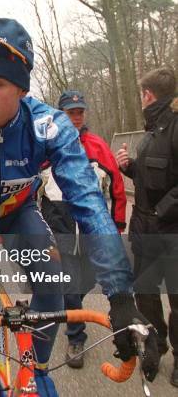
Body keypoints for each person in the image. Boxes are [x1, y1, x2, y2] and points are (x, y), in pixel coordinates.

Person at [0, 18, 158, 397]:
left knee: (53, 286)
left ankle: (38, 368)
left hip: (19, 213)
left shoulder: (49, 125)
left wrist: (121, 297)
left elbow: (89, 203)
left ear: (21, 89)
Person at [40, 90, 127, 368]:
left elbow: (116, 189)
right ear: (60, 114)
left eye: (79, 112)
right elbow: (30, 189)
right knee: (70, 287)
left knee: (90, 282)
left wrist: (117, 226)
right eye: (70, 113)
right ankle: (76, 337)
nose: (76, 117)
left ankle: (85, 314)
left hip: (92, 231)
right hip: (60, 229)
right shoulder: (45, 147)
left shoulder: (98, 146)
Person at [115, 66, 178, 387]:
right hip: (143, 229)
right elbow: (150, 179)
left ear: (148, 95)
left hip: (170, 231)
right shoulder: (152, 131)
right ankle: (156, 344)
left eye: (142, 94)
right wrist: (131, 168)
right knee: (146, 293)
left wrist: (160, 211)